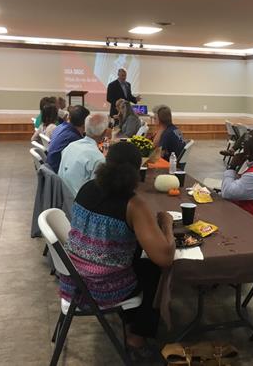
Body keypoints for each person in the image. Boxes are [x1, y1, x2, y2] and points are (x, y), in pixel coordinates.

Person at [59, 142, 175, 360]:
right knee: (154, 270)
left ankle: (129, 320)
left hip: (73, 279)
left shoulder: (87, 188)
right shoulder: (133, 204)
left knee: (138, 258)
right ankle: (136, 337)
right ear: (136, 172)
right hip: (102, 287)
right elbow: (165, 257)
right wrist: (167, 224)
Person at [58, 113, 107, 196]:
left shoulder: (70, 146)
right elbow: (97, 193)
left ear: (85, 128)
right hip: (79, 200)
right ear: (104, 133)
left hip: (62, 196)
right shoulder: (98, 158)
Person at [46, 105, 90, 172]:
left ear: (69, 117)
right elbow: (85, 158)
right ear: (85, 123)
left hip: (51, 169)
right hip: (59, 172)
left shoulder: (60, 126)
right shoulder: (75, 139)